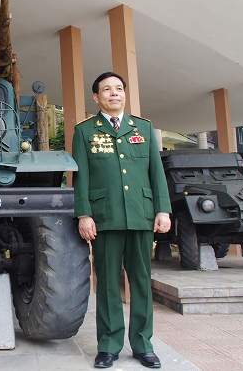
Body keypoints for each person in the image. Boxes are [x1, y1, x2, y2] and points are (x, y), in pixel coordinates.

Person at [72, 72, 171, 369]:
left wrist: (162, 210)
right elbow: (81, 177)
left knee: (141, 282)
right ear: (96, 97)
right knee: (107, 284)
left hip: (141, 215)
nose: (113, 93)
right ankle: (109, 346)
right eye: (107, 89)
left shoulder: (144, 128)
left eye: (118, 88)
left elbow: (156, 173)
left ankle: (143, 345)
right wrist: (84, 214)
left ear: (124, 94)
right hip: (106, 217)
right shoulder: (85, 131)